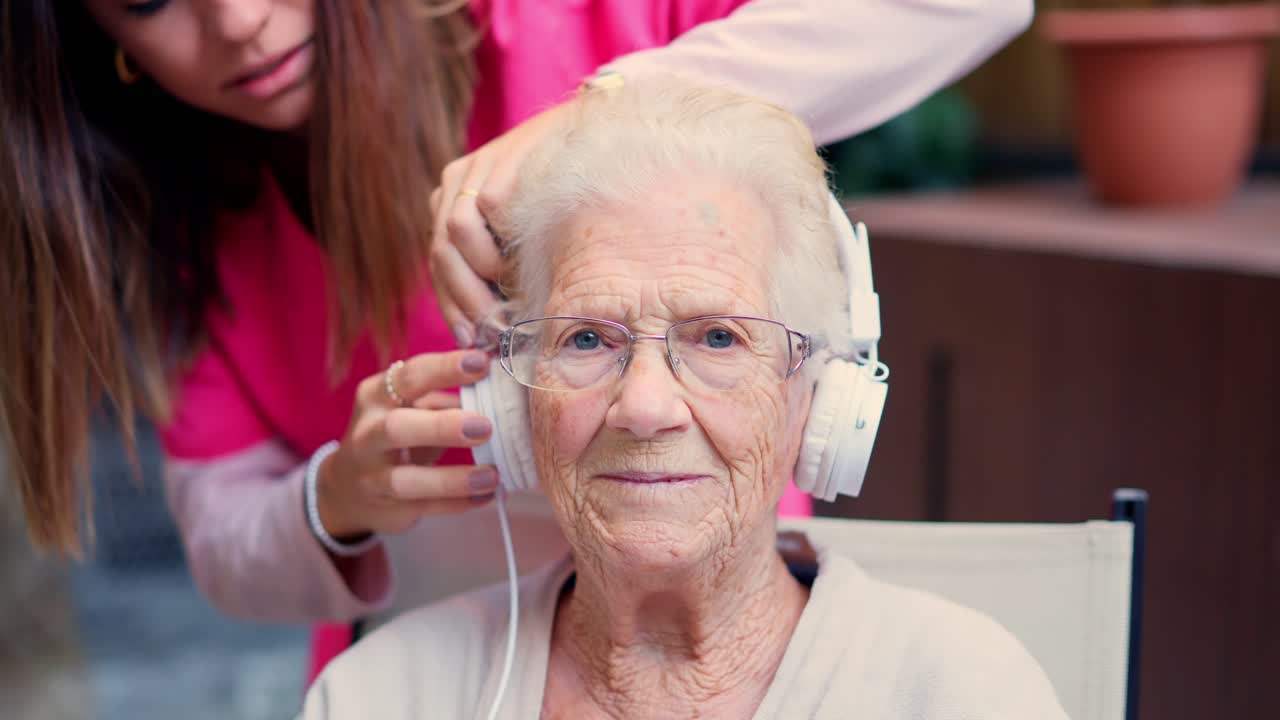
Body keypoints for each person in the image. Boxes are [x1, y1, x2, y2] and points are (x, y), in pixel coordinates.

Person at [1, 0, 1031, 674]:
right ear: (110, 48)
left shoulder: (562, 17)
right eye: (149, 0)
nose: (237, 22)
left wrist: (612, 106)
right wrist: (335, 499)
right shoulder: (192, 225)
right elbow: (227, 547)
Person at [301, 77, 1069, 719]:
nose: (644, 407)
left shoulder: (965, 694)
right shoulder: (382, 697)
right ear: (513, 404)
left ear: (819, 395)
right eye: (588, 339)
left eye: (718, 339)